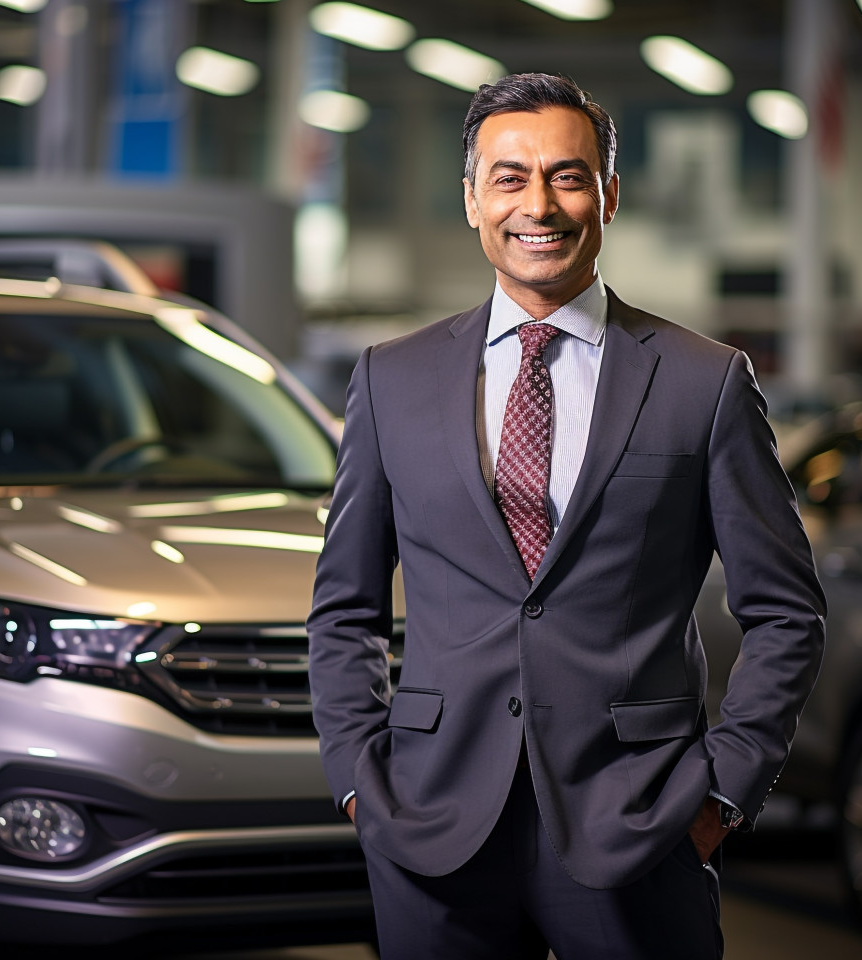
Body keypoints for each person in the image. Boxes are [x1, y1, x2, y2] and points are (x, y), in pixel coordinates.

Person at [307, 73, 825, 960]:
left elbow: (786, 613)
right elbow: (344, 608)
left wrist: (722, 794)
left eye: (568, 176)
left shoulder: (704, 383)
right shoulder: (391, 380)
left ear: (609, 196)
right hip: (430, 826)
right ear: (471, 200)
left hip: (641, 822)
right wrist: (360, 779)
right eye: (509, 178)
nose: (537, 204)